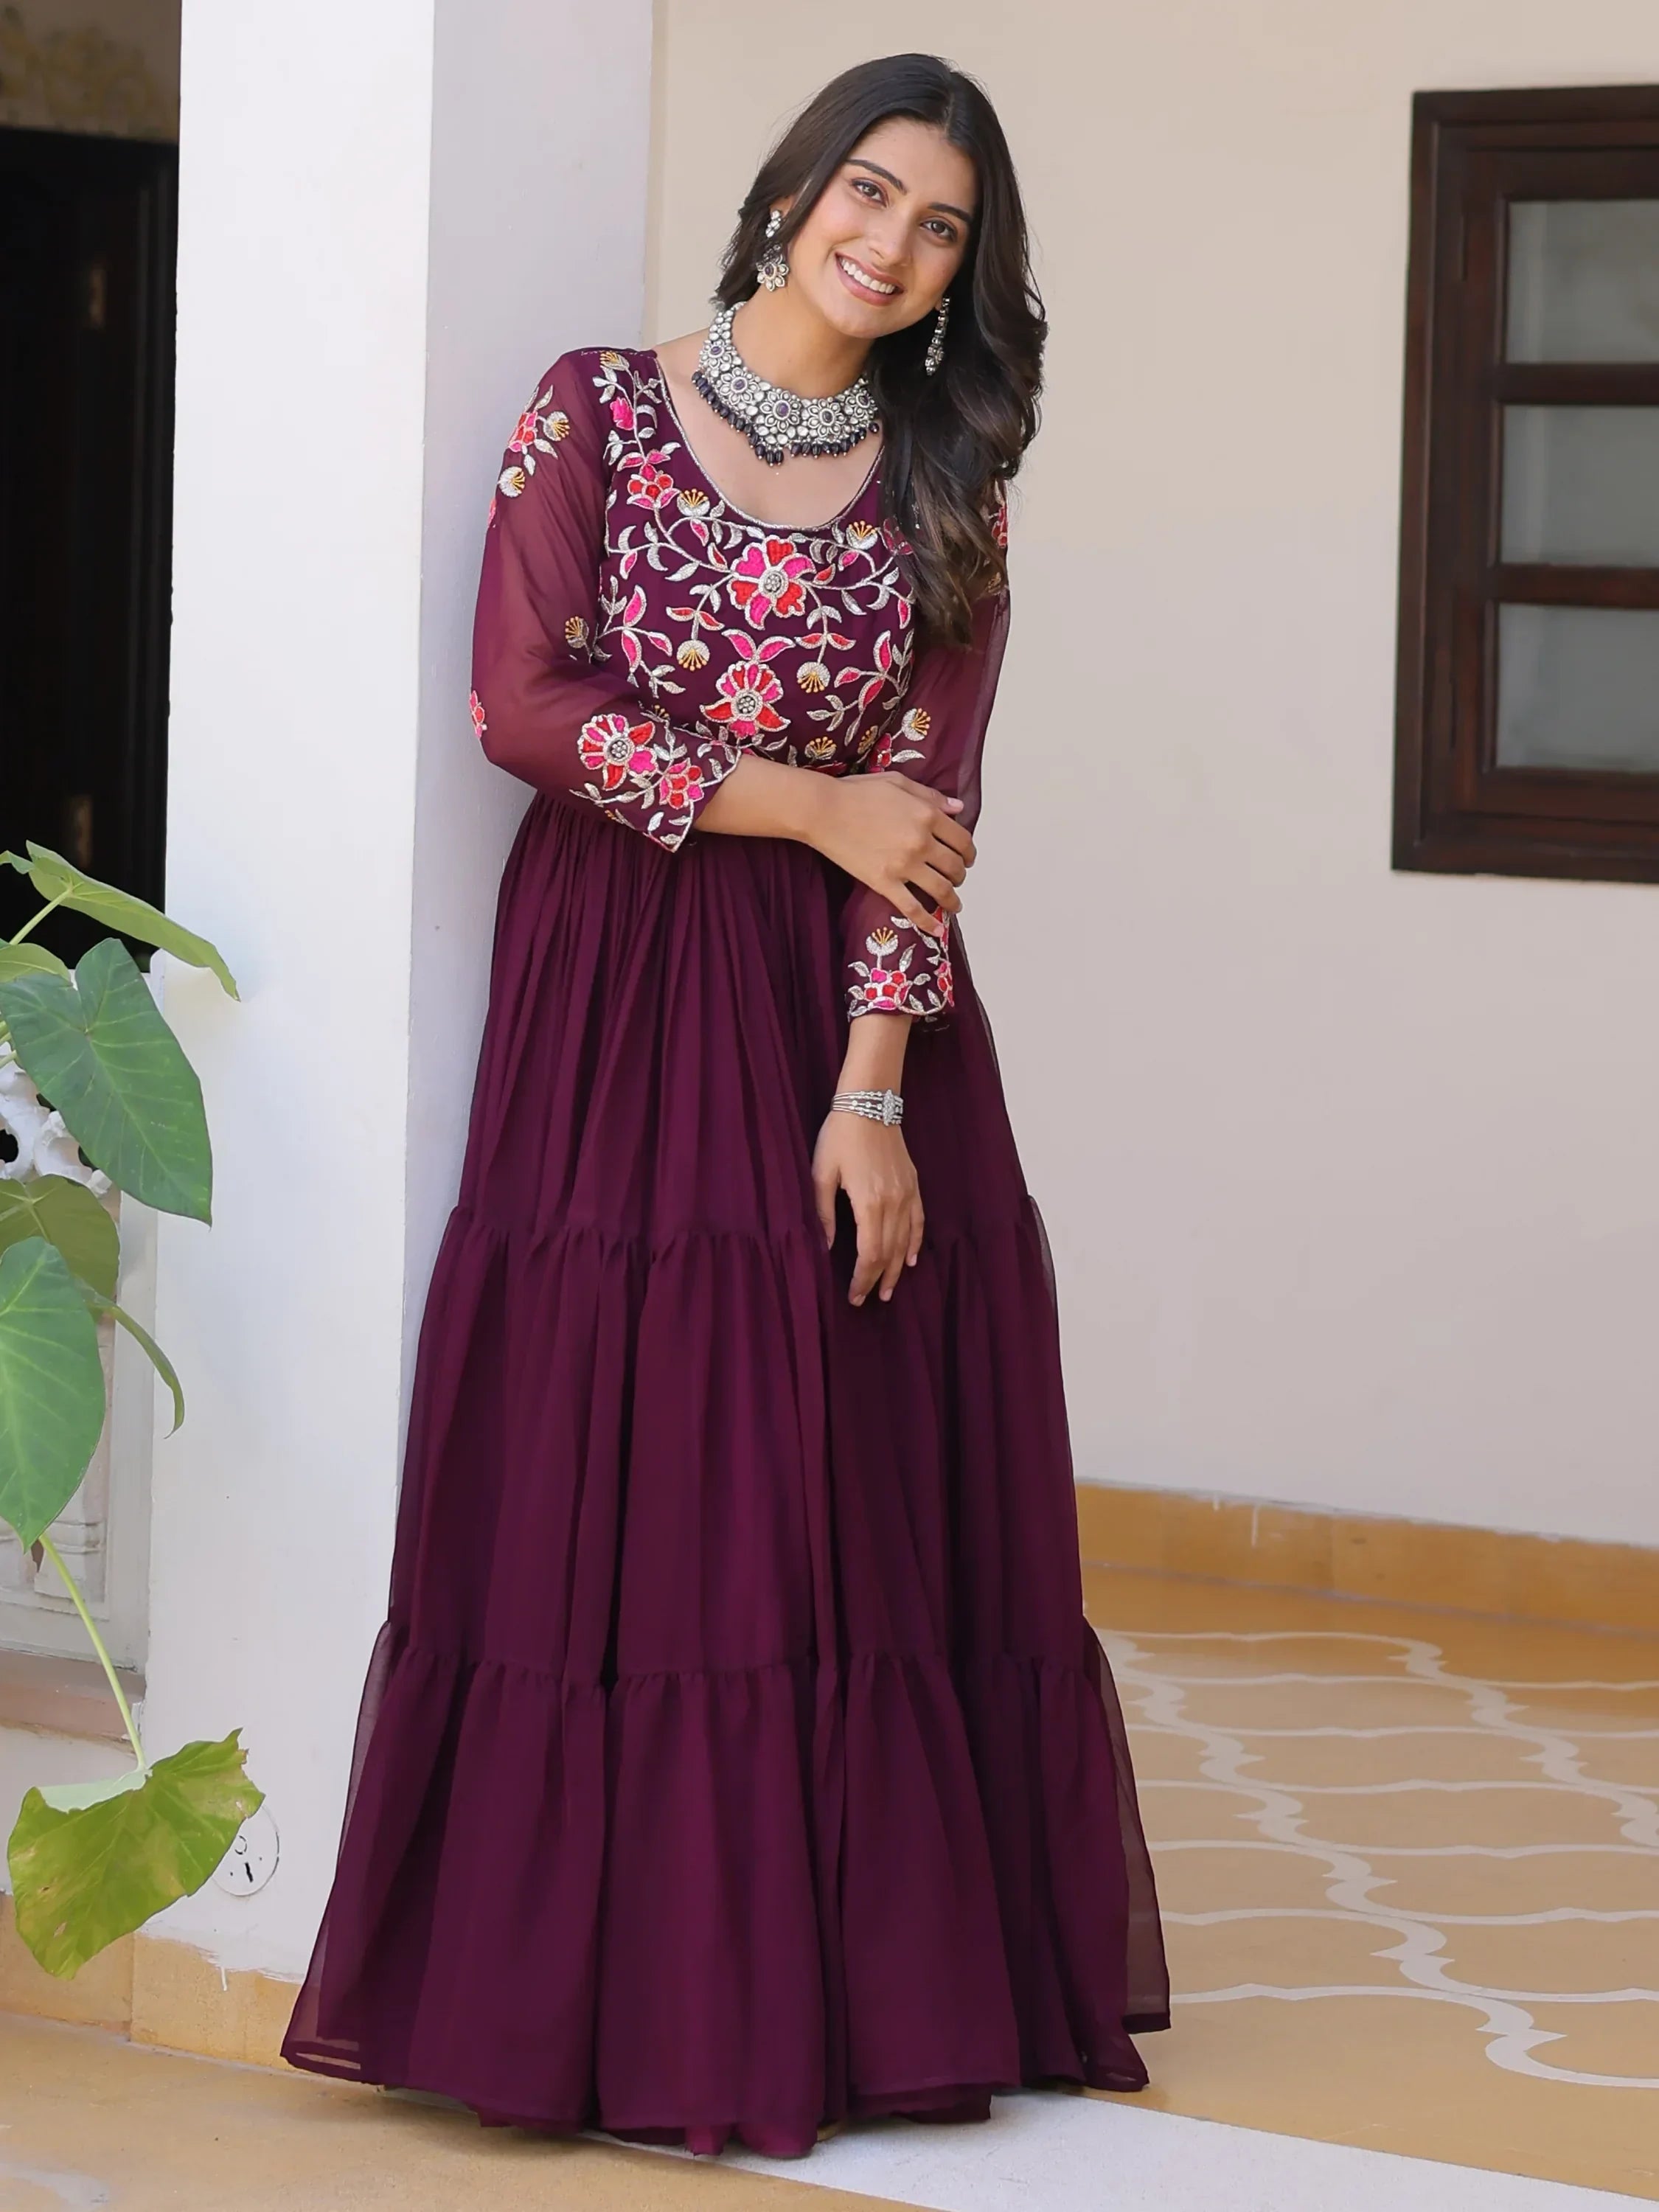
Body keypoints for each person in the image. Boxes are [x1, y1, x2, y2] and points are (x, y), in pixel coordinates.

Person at [282, 50, 1168, 2157]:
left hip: (844, 1028)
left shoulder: (949, 485)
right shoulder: (593, 409)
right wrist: (809, 802)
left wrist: (869, 1095)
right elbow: (521, 707)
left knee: (824, 1478)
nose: (888, 243)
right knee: (629, 1446)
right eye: (867, 191)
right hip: (613, 985)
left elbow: (933, 816)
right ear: (791, 190)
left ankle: (827, 1998)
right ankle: (585, 2002)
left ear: (965, 273)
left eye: (939, 227)